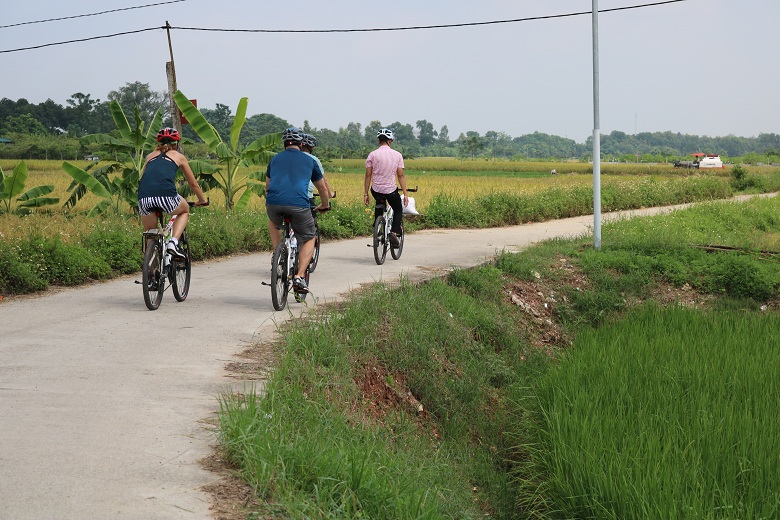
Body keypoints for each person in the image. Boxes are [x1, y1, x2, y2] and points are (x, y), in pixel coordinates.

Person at [265, 127, 330, 294]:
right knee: (309, 236)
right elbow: (322, 188)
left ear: (284, 143)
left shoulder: (274, 159)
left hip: (273, 204)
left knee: (273, 223)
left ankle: (277, 253)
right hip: (299, 205)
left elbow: (268, 187)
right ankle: (299, 276)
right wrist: (324, 204)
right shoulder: (310, 160)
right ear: (302, 143)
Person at [138, 127, 208, 259]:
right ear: (176, 144)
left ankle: (150, 276)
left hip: (144, 198)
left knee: (150, 235)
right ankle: (173, 243)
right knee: (184, 210)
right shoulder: (178, 156)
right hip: (166, 196)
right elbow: (193, 184)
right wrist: (202, 200)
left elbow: (145, 178)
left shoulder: (149, 157)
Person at [364, 128, 408, 247]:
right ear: (390, 141)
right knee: (398, 209)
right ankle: (393, 232)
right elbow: (401, 175)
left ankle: (377, 228)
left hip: (376, 190)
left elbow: (368, 175)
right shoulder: (397, 155)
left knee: (379, 202)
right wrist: (405, 194)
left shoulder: (372, 155)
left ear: (379, 141)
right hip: (391, 191)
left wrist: (366, 194)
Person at [301, 133, 334, 205]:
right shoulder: (313, 159)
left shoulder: (290, 157)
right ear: (312, 147)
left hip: (285, 198)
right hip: (306, 196)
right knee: (311, 216)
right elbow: (324, 181)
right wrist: (329, 194)